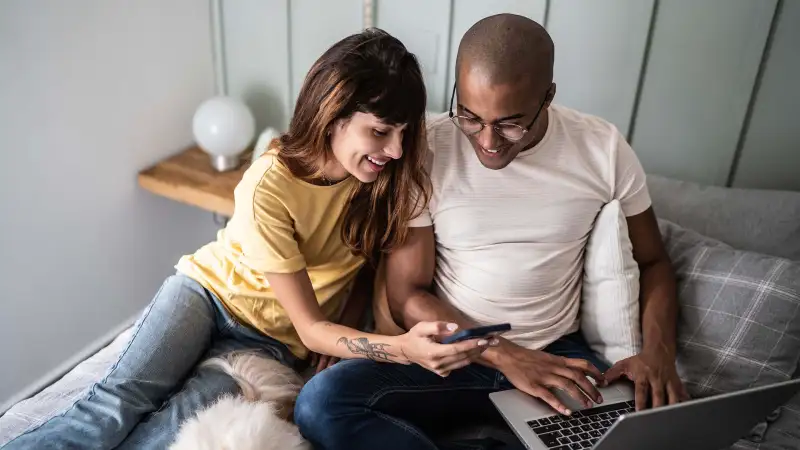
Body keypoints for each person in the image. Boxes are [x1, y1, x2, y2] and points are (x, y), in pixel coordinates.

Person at [3, 28, 491, 450]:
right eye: (381, 131)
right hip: (206, 294)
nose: (397, 149)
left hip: (268, 343)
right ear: (332, 114)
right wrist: (401, 348)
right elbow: (310, 326)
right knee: (116, 404)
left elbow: (360, 273)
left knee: (170, 428)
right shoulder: (268, 185)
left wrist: (344, 328)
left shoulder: (382, 183)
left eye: (404, 133)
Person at [294, 14, 690, 450]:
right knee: (320, 404)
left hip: (556, 355)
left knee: (640, 436)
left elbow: (653, 261)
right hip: (455, 353)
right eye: (469, 116)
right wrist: (504, 354)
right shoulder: (426, 149)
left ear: (548, 97)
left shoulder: (603, 149)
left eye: (509, 124)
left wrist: (658, 354)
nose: (487, 141)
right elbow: (406, 294)